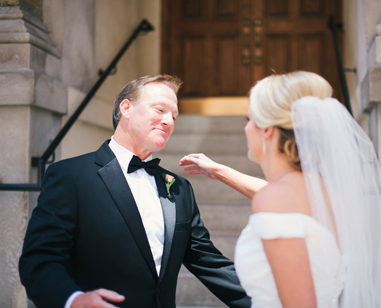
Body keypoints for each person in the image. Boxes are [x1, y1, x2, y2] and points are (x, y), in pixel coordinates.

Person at [178, 71, 381, 307]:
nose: (246, 128)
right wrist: (219, 171)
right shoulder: (324, 191)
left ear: (268, 131)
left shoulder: (276, 198)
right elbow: (281, 197)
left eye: (249, 119)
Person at [19, 75, 250, 308]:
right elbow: (40, 260)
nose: (169, 121)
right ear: (126, 108)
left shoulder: (179, 188)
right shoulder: (70, 176)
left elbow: (210, 263)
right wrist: (73, 300)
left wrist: (270, 300)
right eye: (160, 109)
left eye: (174, 116)